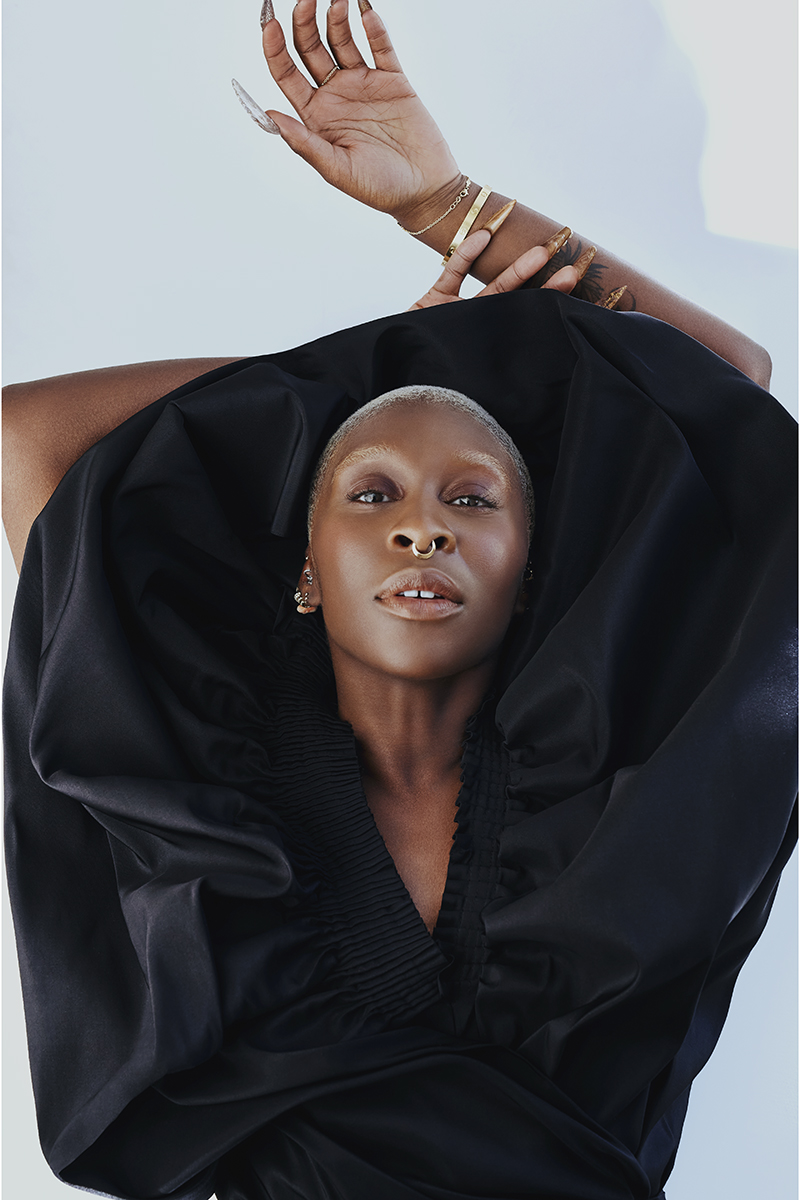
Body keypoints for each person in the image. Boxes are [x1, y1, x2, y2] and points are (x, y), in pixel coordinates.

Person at [3, 3, 796, 1199]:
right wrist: (369, 377)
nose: (421, 526)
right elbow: (24, 439)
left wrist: (448, 206)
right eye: (370, 494)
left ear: (533, 571)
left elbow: (728, 412)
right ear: (305, 566)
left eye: (470, 500)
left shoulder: (626, 779)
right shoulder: (188, 771)